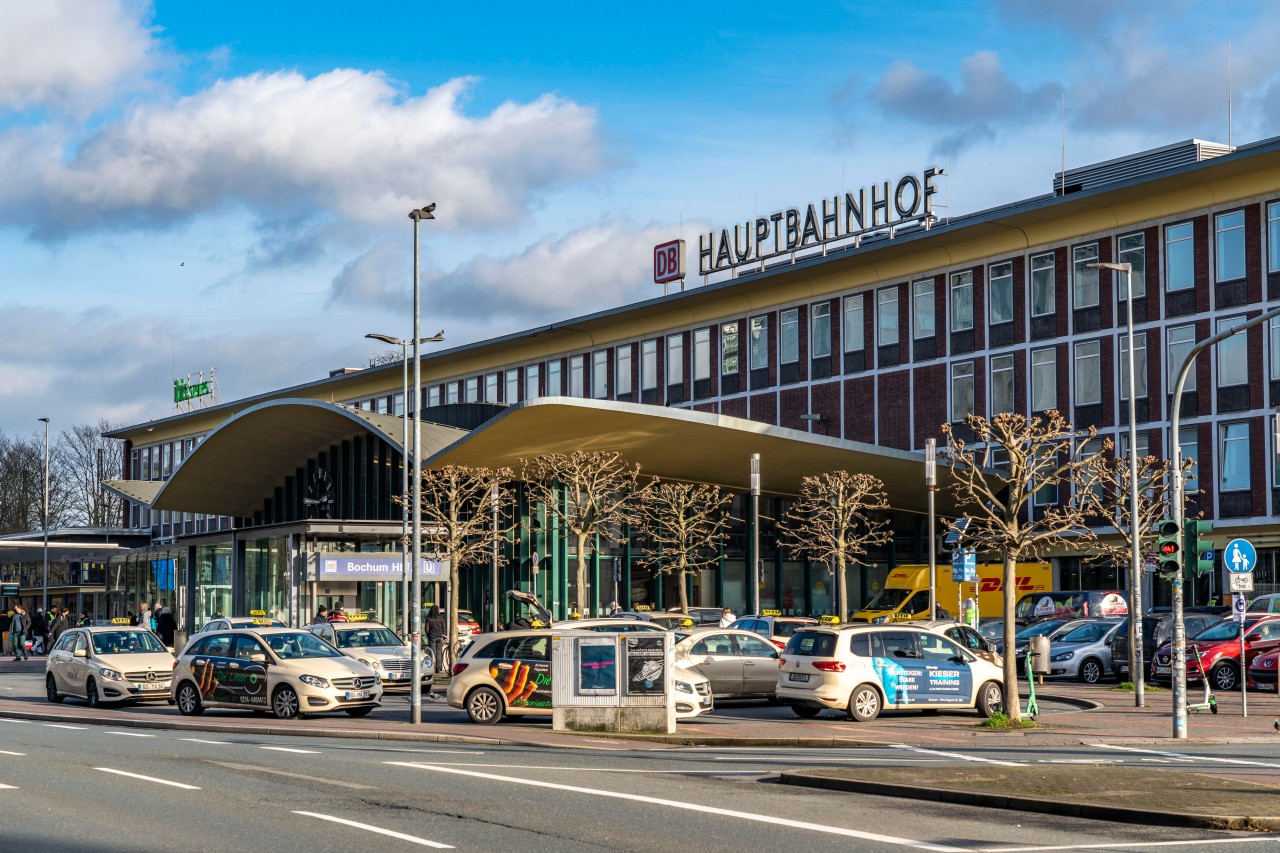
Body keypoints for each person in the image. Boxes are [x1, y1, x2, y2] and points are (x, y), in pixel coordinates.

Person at [426, 605, 446, 674]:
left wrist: (429, 635)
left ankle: (433, 668)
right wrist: (443, 635)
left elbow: (426, 629)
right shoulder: (441, 617)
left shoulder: (429, 618)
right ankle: (438, 668)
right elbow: (443, 627)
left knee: (433, 653)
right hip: (439, 636)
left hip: (432, 637)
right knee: (439, 652)